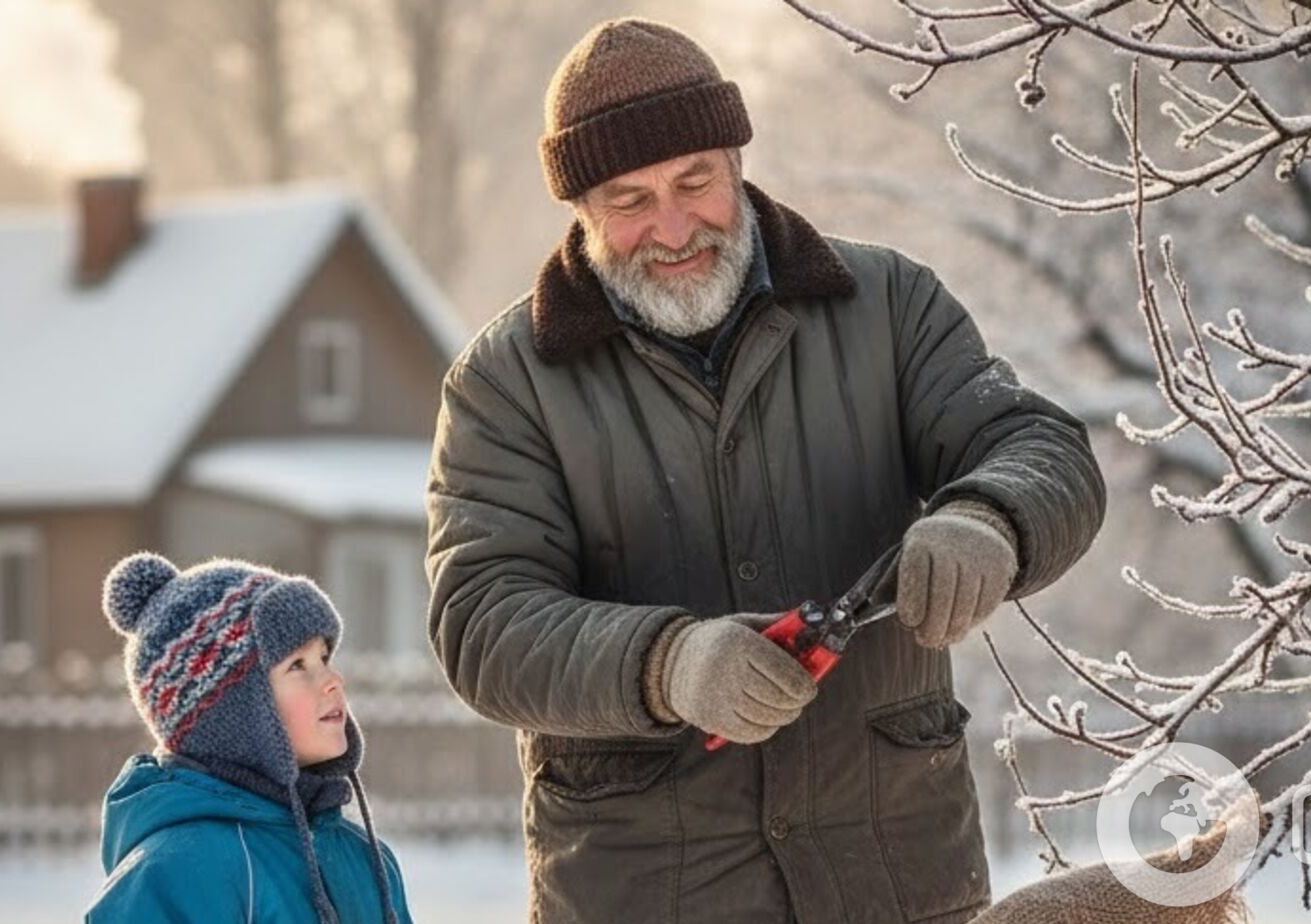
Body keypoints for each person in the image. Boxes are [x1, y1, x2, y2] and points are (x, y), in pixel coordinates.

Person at [424, 16, 1107, 924]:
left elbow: (1041, 447)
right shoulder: (506, 383)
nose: (672, 228)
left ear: (736, 163)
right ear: (580, 209)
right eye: (629, 200)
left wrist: (990, 520)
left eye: (694, 182)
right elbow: (484, 623)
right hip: (644, 899)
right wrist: (666, 664)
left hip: (898, 883)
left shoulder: (889, 305)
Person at [87, 552, 412, 924]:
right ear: (231, 710)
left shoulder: (367, 860)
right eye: (297, 665)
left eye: (324, 658)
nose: (334, 680)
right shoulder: (175, 874)